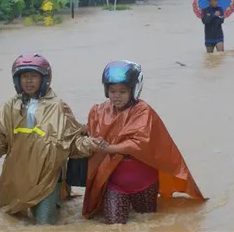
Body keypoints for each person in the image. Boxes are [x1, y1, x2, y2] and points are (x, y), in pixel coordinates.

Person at [82, 60, 207, 224]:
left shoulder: (143, 111)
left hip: (144, 183)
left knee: (148, 222)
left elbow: (138, 143)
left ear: (134, 90)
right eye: (112, 91)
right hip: (114, 183)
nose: (116, 96)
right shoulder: (100, 110)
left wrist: (110, 148)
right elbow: (92, 131)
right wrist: (77, 129)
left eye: (122, 91)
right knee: (113, 225)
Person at [0, 52, 98, 225]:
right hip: (16, 176)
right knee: (10, 220)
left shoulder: (58, 106)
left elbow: (72, 141)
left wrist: (92, 144)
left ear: (44, 79)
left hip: (48, 177)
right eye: (24, 76)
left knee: (45, 224)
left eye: (33, 76)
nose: (28, 81)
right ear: (17, 80)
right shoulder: (9, 106)